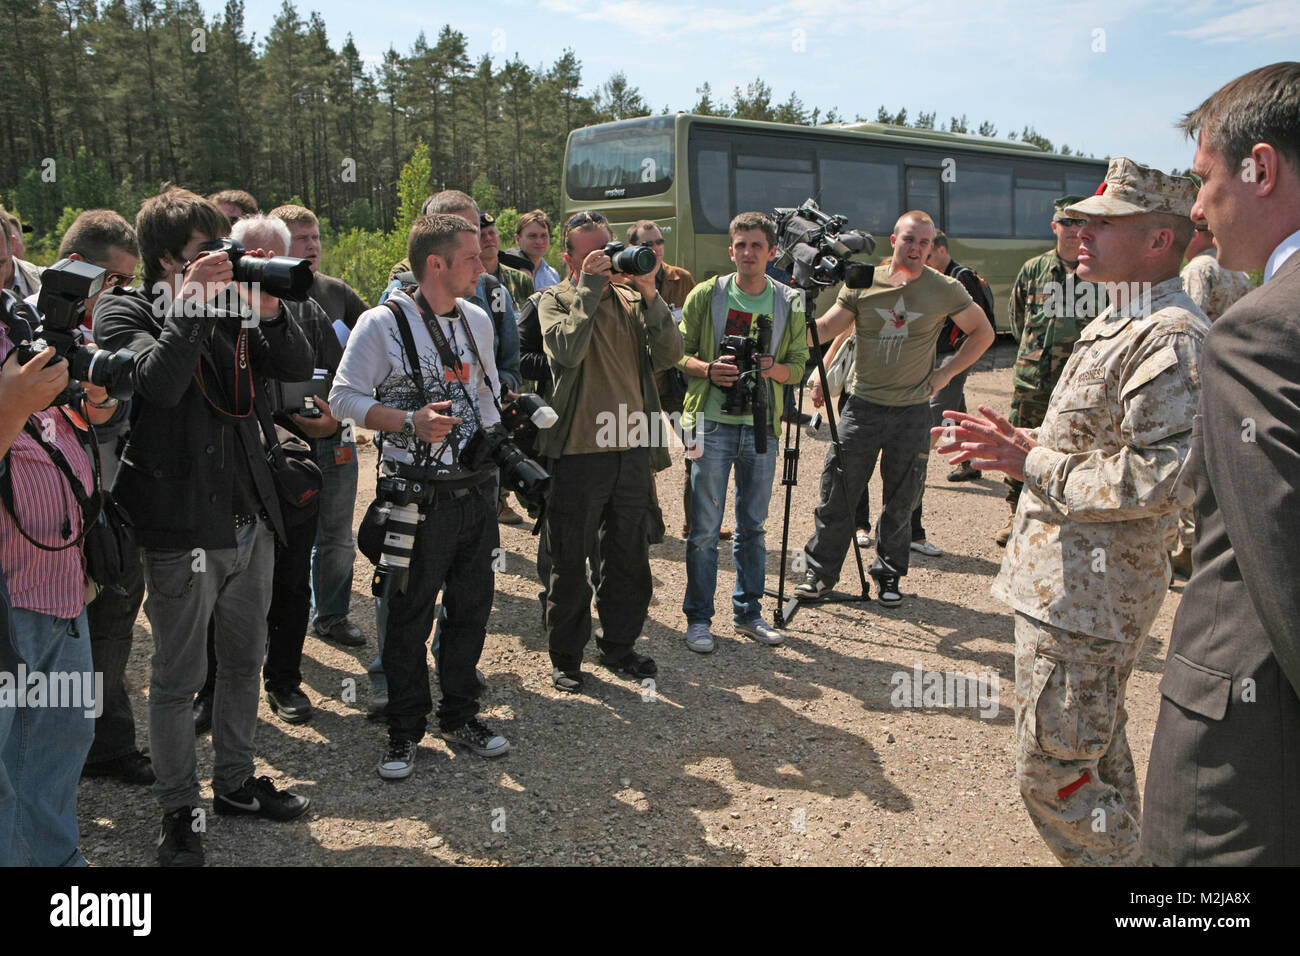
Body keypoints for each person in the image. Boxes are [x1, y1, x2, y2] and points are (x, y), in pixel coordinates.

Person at [937, 158, 1205, 865]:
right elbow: (1103, 443)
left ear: (1157, 241)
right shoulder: (1121, 316)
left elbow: (1163, 478)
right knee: (1094, 753)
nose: (1078, 232)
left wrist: (1032, 464)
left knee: (1054, 775)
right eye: (1080, 220)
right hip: (1069, 591)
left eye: (1101, 222)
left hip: (1091, 600)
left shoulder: (1170, 334)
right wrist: (1020, 442)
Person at [95, 187, 314, 866]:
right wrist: (189, 307)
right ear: (166, 260)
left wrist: (269, 309)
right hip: (182, 527)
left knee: (244, 662)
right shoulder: (125, 309)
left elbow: (298, 370)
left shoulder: (232, 308)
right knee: (177, 676)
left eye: (223, 251)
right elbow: (156, 387)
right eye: (205, 254)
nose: (222, 263)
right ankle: (178, 808)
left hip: (251, 518)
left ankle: (238, 783)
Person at [1143, 62, 1300, 866]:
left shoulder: (1262, 331)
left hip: (1252, 772)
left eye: (1204, 181)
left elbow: (1283, 566)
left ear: (1260, 168)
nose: (1198, 209)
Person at [331, 213, 510, 779]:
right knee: (408, 617)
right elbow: (342, 398)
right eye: (470, 258)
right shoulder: (381, 324)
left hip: (474, 492)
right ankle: (406, 728)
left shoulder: (477, 318)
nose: (482, 266)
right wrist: (408, 420)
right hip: (415, 496)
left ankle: (460, 714)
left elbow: (486, 396)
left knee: (472, 608)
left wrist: (500, 446)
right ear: (436, 264)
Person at [795, 210, 993, 607]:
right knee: (838, 492)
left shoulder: (946, 288)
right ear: (893, 240)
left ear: (933, 245)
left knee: (902, 499)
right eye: (909, 240)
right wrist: (792, 313)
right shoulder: (863, 281)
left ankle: (888, 575)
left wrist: (945, 373)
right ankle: (819, 574)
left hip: (912, 411)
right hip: (862, 406)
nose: (917, 248)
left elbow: (983, 332)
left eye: (925, 242)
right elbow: (829, 328)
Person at [0, 249, 119, 864]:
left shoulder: (19, 322)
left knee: (60, 739)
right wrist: (13, 403)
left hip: (60, 583)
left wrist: (95, 401)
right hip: (10, 596)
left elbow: (72, 421)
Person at [537, 210, 683, 691]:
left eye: (610, 246)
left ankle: (619, 646)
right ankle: (566, 656)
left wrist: (649, 292)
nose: (607, 256)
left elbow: (669, 355)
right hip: (580, 450)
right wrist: (590, 288)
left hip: (632, 443)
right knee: (570, 559)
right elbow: (566, 352)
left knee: (630, 558)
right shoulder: (553, 299)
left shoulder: (631, 298)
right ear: (570, 258)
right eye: (593, 251)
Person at [36, 211, 154, 786]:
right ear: (75, 267)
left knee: (111, 627)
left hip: (101, 510)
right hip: (35, 528)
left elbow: (111, 417)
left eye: (128, 283)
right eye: (113, 281)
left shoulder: (94, 334)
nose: (118, 294)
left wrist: (101, 396)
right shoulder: (27, 329)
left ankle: (106, 744)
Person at [677, 212, 807, 652]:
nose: (748, 253)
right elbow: (678, 353)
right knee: (704, 529)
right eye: (740, 245)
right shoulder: (707, 294)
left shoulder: (790, 301)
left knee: (753, 526)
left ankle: (749, 612)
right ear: (730, 250)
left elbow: (800, 366)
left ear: (772, 252)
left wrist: (774, 369)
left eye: (757, 246)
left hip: (761, 426)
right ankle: (699, 619)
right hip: (709, 423)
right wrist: (708, 369)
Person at [268, 203, 369, 649]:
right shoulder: (253, 297)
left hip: (337, 430)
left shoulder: (335, 292)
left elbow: (375, 343)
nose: (311, 246)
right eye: (300, 238)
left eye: (315, 237)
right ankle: (275, 631)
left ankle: (330, 615)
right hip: (280, 440)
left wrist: (340, 414)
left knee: (336, 537)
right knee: (279, 542)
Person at [999, 197, 1102, 547]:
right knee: (1020, 444)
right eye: (1066, 222)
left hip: (1077, 386)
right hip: (1032, 381)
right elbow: (1017, 320)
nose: (1073, 230)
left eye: (1080, 223)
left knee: (1070, 450)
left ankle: (1063, 520)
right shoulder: (1034, 270)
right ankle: (1015, 516)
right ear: (1054, 226)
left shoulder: (1100, 274)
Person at [1179, 221, 1255, 323]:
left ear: (1194, 235)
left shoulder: (1197, 269)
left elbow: (1190, 321)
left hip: (1211, 337)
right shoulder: (1238, 272)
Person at [479, 211, 534, 308]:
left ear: (498, 236)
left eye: (491, 233)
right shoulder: (468, 282)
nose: (488, 238)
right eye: (481, 235)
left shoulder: (521, 281)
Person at [507, 210, 562, 290]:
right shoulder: (507, 271)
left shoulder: (553, 275)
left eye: (544, 236)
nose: (539, 241)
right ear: (518, 239)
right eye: (532, 236)